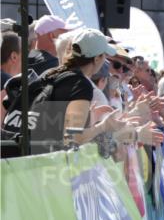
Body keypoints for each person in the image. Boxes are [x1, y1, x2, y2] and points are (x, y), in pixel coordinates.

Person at [1, 29, 123, 158]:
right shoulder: (80, 85)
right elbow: (71, 138)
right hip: (35, 162)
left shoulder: (50, 73)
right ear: (97, 58)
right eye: (104, 56)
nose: (105, 60)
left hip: (11, 157)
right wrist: (103, 126)